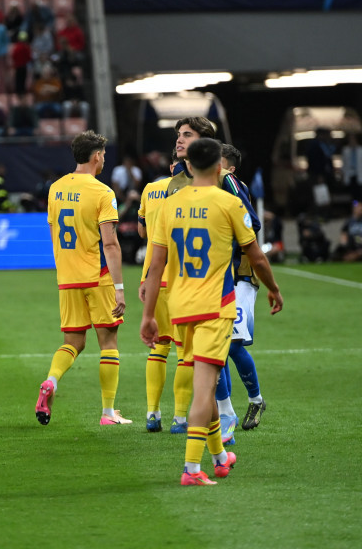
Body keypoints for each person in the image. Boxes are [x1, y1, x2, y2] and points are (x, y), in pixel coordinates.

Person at [140, 138, 283, 486]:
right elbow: (256, 255)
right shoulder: (228, 202)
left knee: (209, 380)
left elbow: (156, 264)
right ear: (219, 166)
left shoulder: (169, 205)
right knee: (205, 388)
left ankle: (220, 457)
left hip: (178, 305)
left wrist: (148, 315)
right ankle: (191, 469)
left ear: (188, 165)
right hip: (214, 307)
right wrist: (274, 289)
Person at [35, 131, 133, 427]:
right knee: (109, 341)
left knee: (73, 341)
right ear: (95, 157)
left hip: (67, 278)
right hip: (97, 275)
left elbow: (53, 231)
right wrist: (119, 288)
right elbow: (111, 244)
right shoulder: (102, 192)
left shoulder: (55, 188)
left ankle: (51, 380)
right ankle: (108, 412)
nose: (103, 159)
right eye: (102, 155)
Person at [214, 144, 268, 445]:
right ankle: (227, 411)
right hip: (220, 278)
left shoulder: (233, 185)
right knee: (218, 347)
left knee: (231, 346)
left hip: (241, 276)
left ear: (229, 168)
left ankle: (256, 399)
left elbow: (251, 226)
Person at [138, 150, 192, 433]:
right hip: (185, 280)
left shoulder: (150, 189)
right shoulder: (195, 193)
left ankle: (152, 414)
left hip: (154, 279)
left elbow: (142, 232)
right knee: (185, 352)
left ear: (171, 166)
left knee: (158, 348)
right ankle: (180, 419)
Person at [341, 133, 362, 200]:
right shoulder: (345, 150)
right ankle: (355, 207)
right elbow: (344, 164)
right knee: (353, 195)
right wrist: (343, 174)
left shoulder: (360, 150)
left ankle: (359, 208)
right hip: (350, 174)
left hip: (359, 174)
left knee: (360, 194)